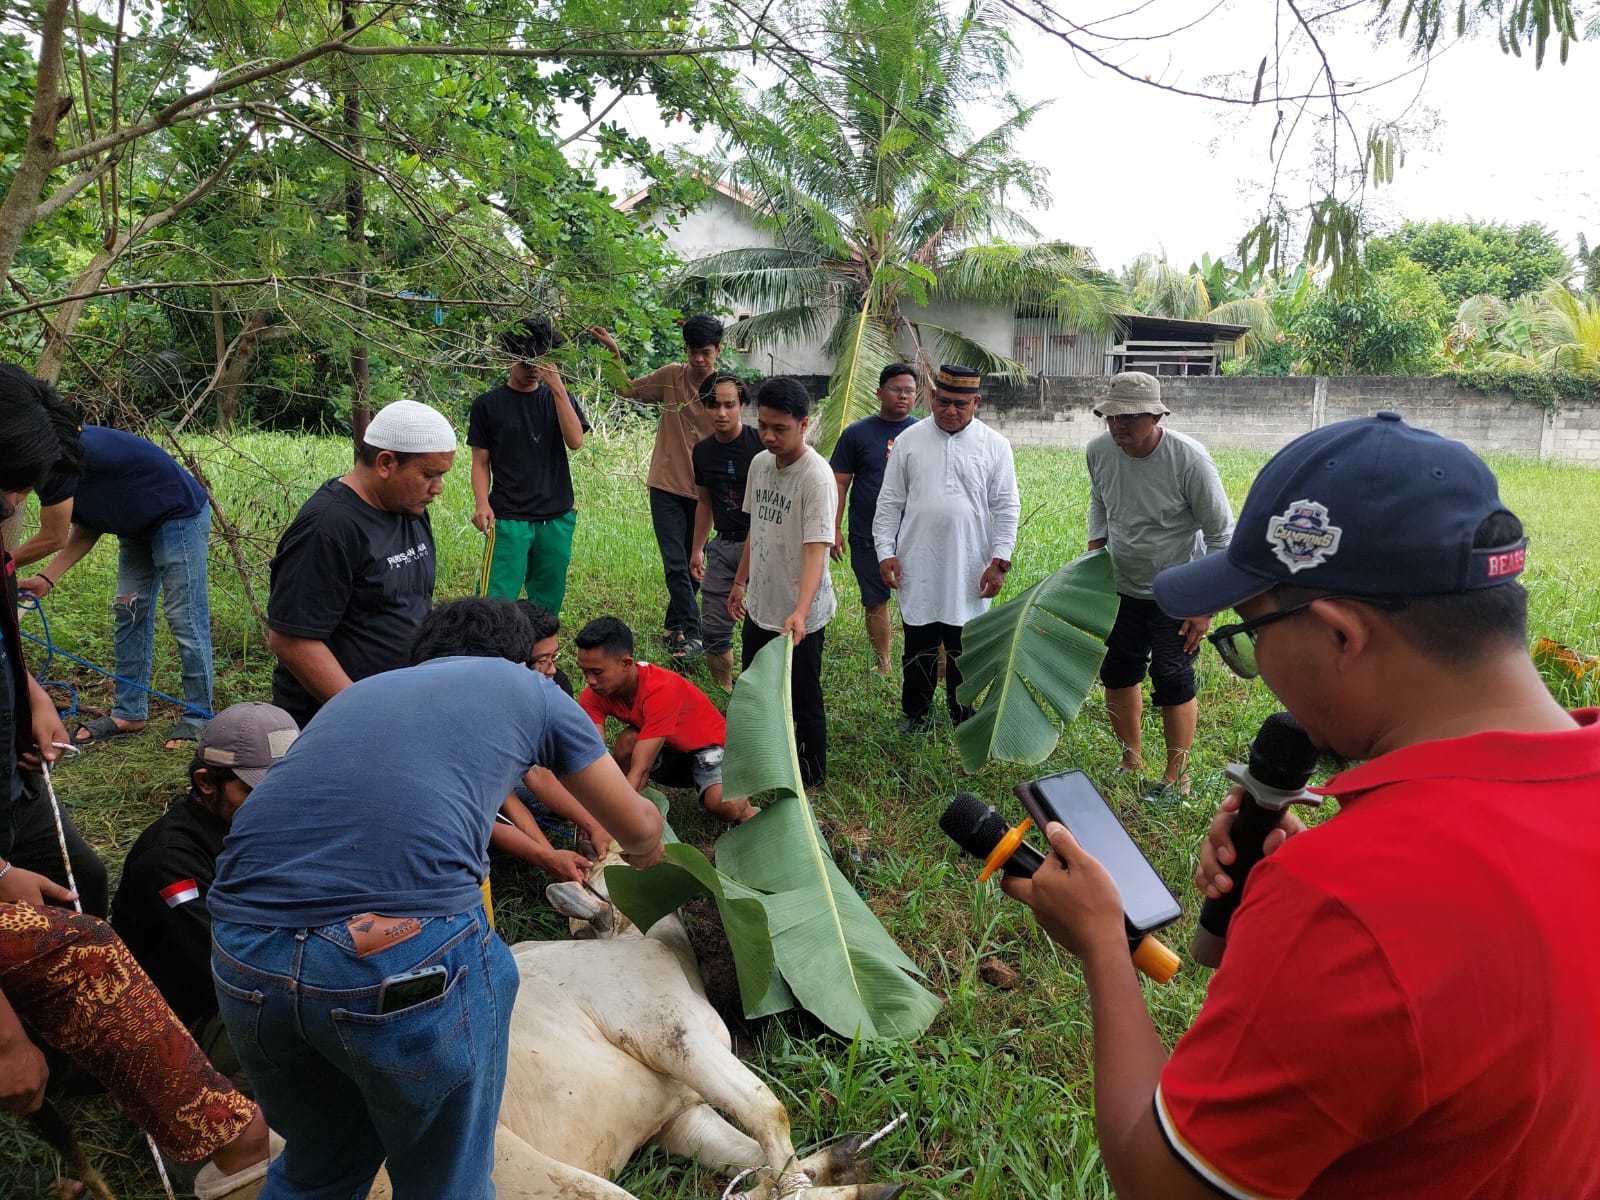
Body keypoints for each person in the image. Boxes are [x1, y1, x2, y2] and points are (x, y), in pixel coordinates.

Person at [1005, 413, 1600, 1200]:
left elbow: (1159, 1182)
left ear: (1338, 637)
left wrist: (1102, 948)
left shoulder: (1346, 901)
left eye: (1247, 635)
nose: (1254, 665)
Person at [210, 598, 665, 1200]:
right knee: (448, 1175)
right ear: (518, 660)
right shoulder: (526, 689)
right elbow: (636, 825)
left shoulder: (358, 697)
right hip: (390, 955)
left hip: (243, 952)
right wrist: (649, 854)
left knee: (318, 1168)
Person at [1, 378, 275, 1200]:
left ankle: (70, 1064)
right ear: (207, 783)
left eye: (12, 499)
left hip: (14, 796)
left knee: (77, 886)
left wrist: (32, 696)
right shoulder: (173, 858)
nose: (9, 523)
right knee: (83, 950)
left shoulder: (62, 474)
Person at [7, 374, 214, 749]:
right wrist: (45, 579)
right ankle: (129, 713)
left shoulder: (54, 459)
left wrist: (6, 563)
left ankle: (198, 715)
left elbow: (53, 537)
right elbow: (87, 526)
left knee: (184, 616)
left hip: (178, 515)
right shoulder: (52, 458)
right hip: (134, 525)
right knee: (129, 612)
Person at [110, 701, 300, 1086]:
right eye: (255, 791)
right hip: (196, 1012)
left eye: (287, 788)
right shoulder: (168, 862)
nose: (277, 806)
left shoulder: (260, 823)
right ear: (206, 782)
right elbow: (236, 967)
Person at [1085, 371, 1234, 802]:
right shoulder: (1099, 451)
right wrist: (1095, 551)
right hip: (1121, 584)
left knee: (1172, 676)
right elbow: (1100, 499)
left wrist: (1204, 605)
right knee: (1117, 671)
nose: (1118, 426)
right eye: (1111, 417)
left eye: (1129, 417)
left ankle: (1177, 777)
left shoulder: (1189, 459)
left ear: (1155, 415)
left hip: (1179, 589)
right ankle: (1131, 759)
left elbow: (1222, 536)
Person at [266, 398, 456, 730]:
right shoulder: (328, 529)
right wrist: (362, 712)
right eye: (428, 474)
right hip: (338, 721)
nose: (437, 488)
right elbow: (292, 641)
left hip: (401, 705)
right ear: (386, 462)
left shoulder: (408, 508)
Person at [0, 369, 108, 915]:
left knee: (83, 883)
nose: (12, 505)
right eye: (9, 485)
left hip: (15, 784)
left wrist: (31, 695)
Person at [873, 364, 1019, 734]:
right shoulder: (909, 439)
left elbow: (1006, 505)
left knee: (964, 647)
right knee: (919, 641)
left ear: (977, 403)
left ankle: (963, 716)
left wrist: (1000, 561)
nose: (949, 411)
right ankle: (916, 714)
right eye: (942, 401)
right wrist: (884, 552)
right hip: (916, 560)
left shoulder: (995, 445)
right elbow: (889, 501)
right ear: (931, 398)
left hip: (971, 564)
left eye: (960, 404)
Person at [588, 316, 720, 660]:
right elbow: (627, 390)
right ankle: (692, 634)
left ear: (718, 350)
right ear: (686, 349)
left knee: (694, 564)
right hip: (665, 485)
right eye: (694, 352)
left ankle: (672, 626)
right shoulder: (670, 376)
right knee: (676, 563)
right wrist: (614, 352)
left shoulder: (725, 391)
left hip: (706, 492)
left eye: (706, 353)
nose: (700, 360)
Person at [728, 378, 836, 787]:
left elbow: (816, 550)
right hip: (762, 603)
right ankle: (765, 763)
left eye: (780, 429)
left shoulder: (816, 477)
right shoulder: (759, 464)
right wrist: (740, 582)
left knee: (802, 696)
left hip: (800, 610)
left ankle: (811, 776)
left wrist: (802, 611)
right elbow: (758, 528)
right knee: (758, 690)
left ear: (804, 424)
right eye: (764, 427)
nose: (769, 437)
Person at [575, 616, 755, 822]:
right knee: (627, 743)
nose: (590, 681)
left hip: (712, 751)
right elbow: (593, 754)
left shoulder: (661, 690)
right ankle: (636, 811)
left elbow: (641, 768)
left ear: (626, 663)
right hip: (672, 750)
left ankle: (746, 803)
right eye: (585, 672)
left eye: (597, 672)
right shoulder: (595, 693)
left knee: (727, 806)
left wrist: (610, 820)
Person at [468, 317, 589, 615]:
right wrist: (482, 504)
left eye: (541, 362)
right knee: (494, 603)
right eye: (527, 363)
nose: (534, 371)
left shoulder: (557, 398)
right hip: (508, 517)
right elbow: (480, 462)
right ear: (510, 358)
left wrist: (558, 386)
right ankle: (489, 655)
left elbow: (575, 441)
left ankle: (541, 658)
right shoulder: (487, 405)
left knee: (548, 600)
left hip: (557, 516)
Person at [830, 363, 919, 675]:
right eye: (896, 389)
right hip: (866, 534)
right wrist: (834, 528)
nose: (903, 396)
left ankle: (927, 662)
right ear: (879, 392)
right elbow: (840, 482)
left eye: (909, 390)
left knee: (920, 600)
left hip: (914, 535)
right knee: (875, 600)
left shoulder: (924, 433)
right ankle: (883, 662)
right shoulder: (856, 434)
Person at [690, 373, 763, 690]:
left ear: (743, 405)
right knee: (715, 626)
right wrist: (697, 548)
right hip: (723, 545)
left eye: (729, 405)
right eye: (714, 405)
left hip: (763, 546)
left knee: (762, 625)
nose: (721, 413)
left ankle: (762, 690)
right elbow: (705, 503)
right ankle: (725, 689)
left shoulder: (761, 444)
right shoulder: (702, 451)